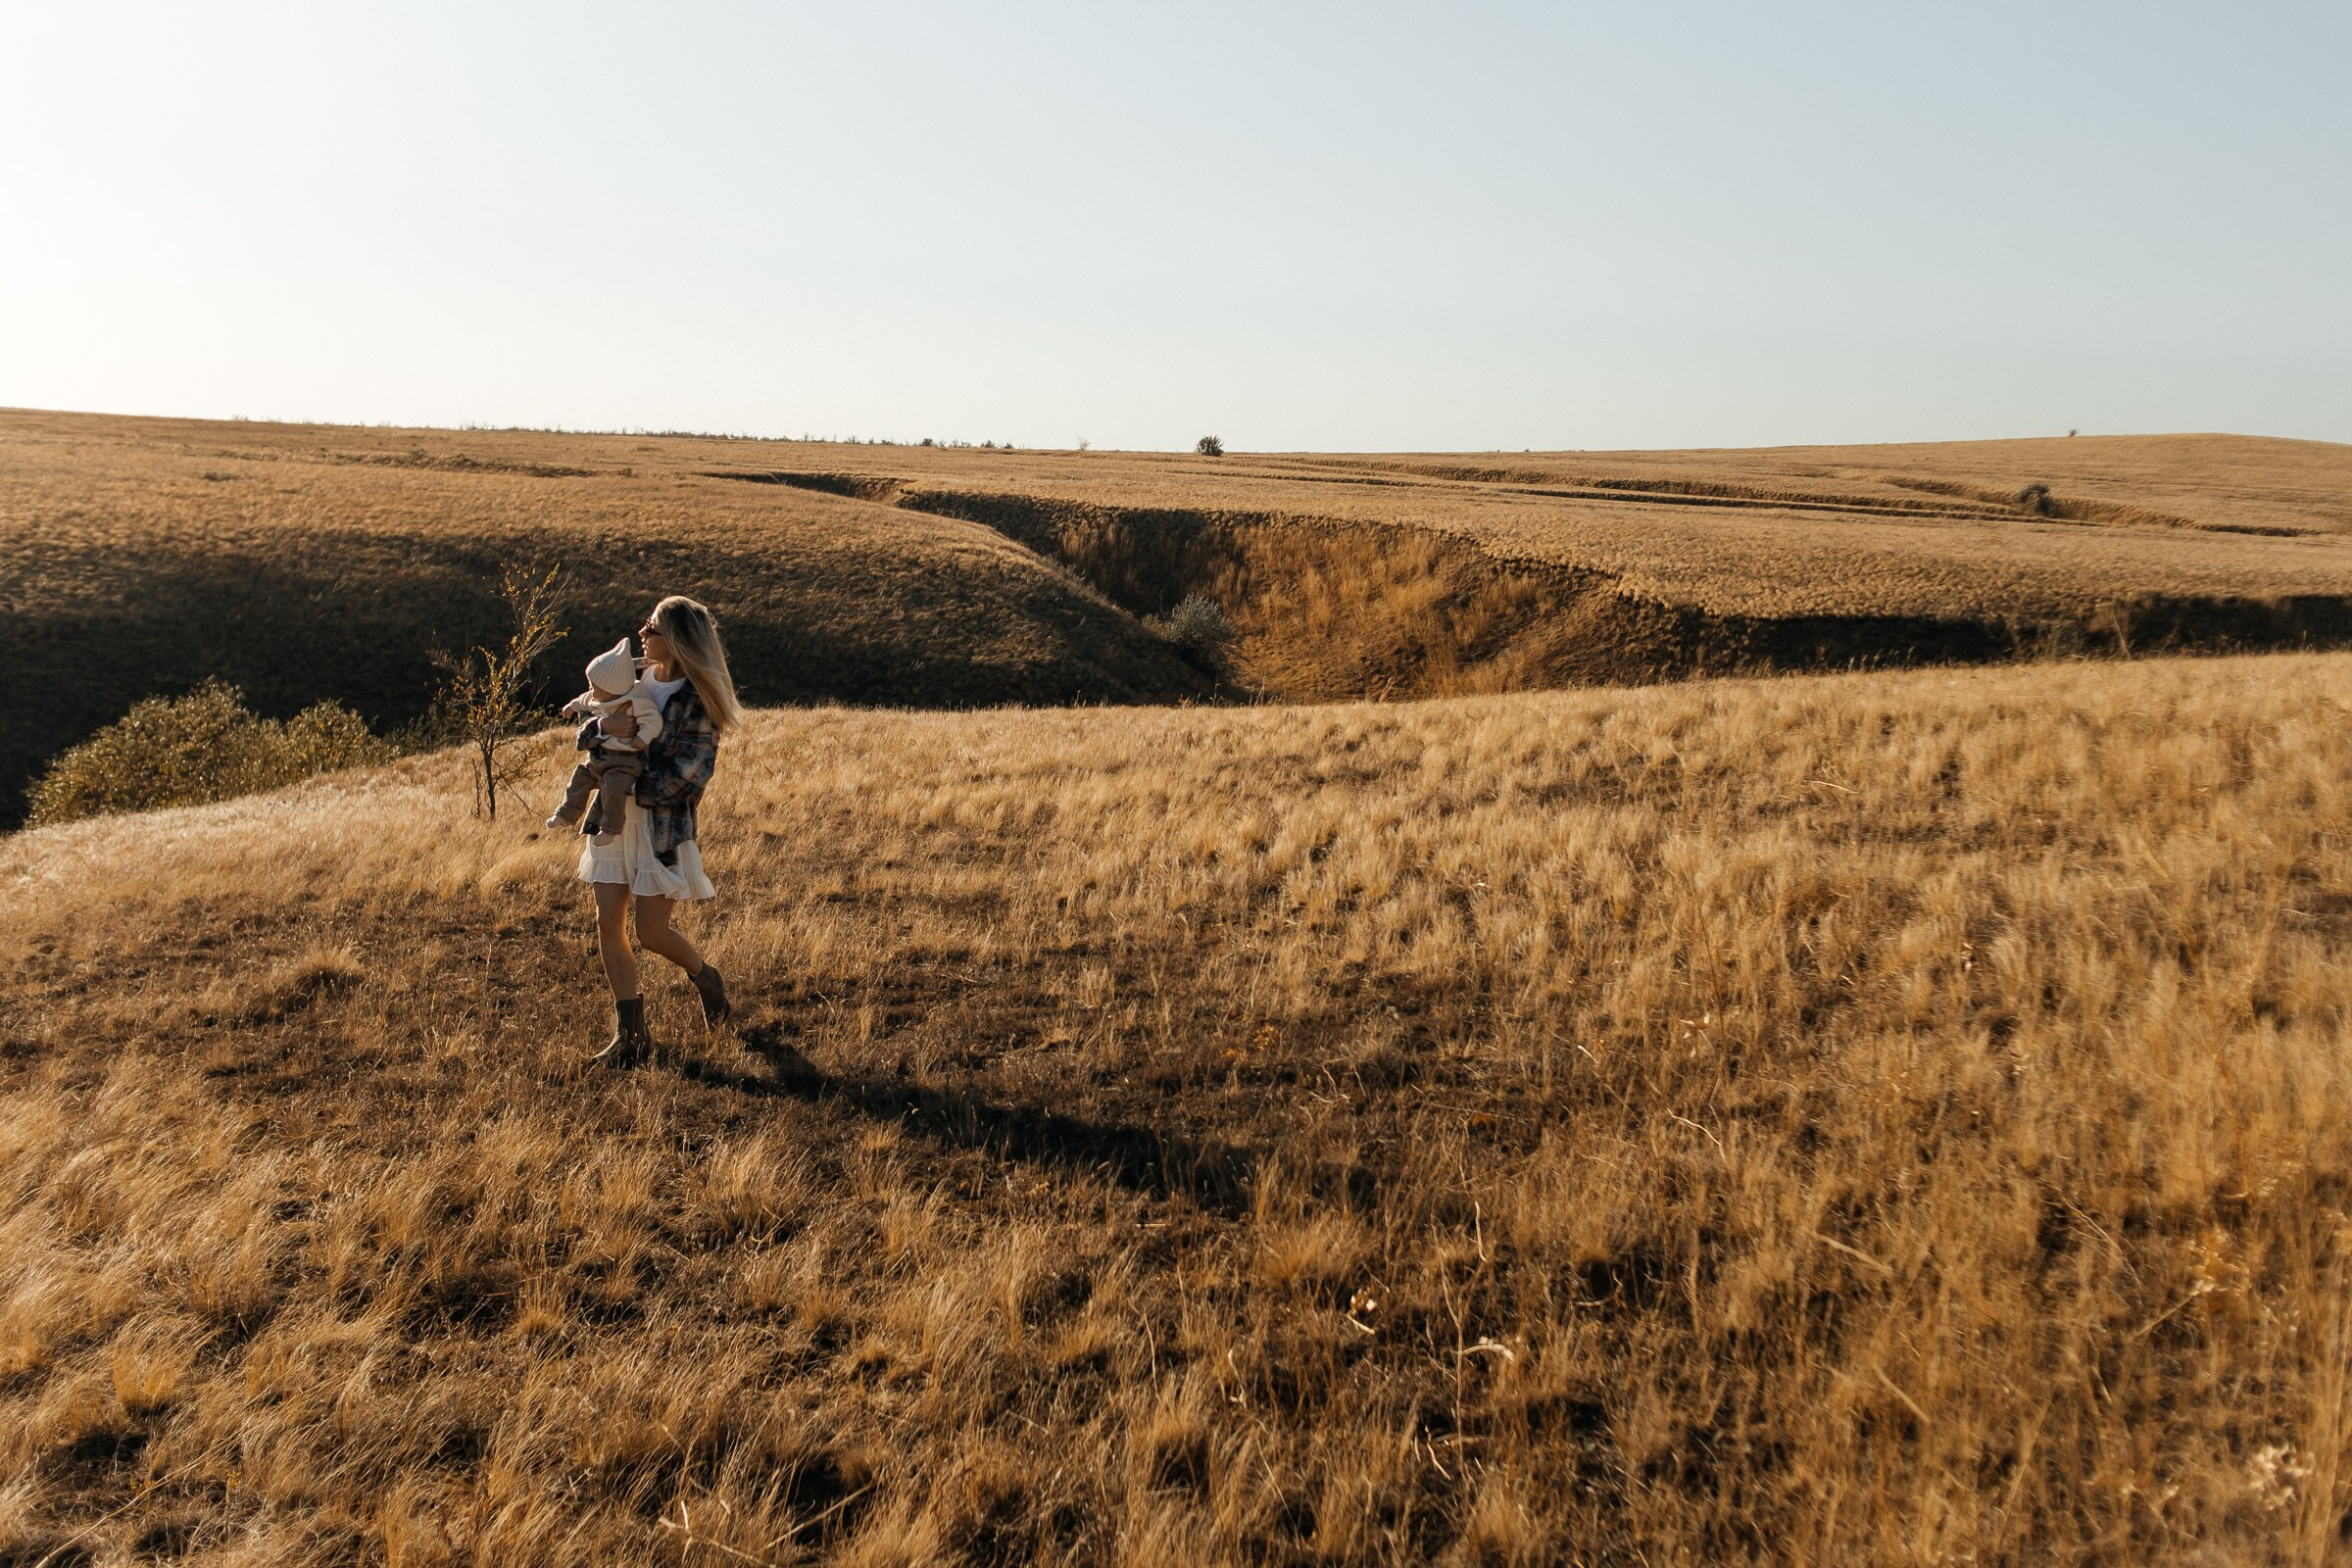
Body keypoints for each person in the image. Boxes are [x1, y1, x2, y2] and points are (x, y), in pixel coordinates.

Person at [574, 595, 742, 1065]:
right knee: (607, 923)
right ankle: (631, 1035)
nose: (642, 633)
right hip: (612, 821)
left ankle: (705, 976)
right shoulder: (627, 676)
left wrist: (625, 780)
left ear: (678, 639)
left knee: (650, 933)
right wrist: (599, 737)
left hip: (659, 825)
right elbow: (589, 724)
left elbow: (690, 775)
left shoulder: (698, 699)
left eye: (652, 627)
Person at [546, 635, 662, 846]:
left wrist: (642, 738)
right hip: (599, 758)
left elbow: (653, 720)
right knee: (580, 776)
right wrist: (571, 707)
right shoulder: (598, 696)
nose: (590, 689)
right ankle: (565, 814)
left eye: (593, 686)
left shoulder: (635, 699)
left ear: (610, 688)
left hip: (625, 761)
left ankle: (610, 829)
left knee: (613, 789)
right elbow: (583, 700)